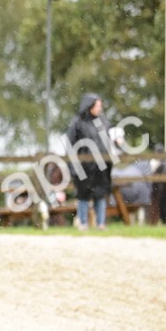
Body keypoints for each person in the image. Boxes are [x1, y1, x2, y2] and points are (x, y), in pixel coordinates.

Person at [65, 92, 116, 230]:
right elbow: (70, 145)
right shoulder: (78, 123)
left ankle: (101, 223)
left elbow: (113, 139)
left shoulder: (104, 122)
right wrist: (73, 167)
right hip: (84, 167)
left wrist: (118, 141)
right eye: (97, 105)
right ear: (89, 106)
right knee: (83, 196)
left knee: (101, 194)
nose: (100, 108)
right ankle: (83, 223)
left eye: (100, 105)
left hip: (102, 167)